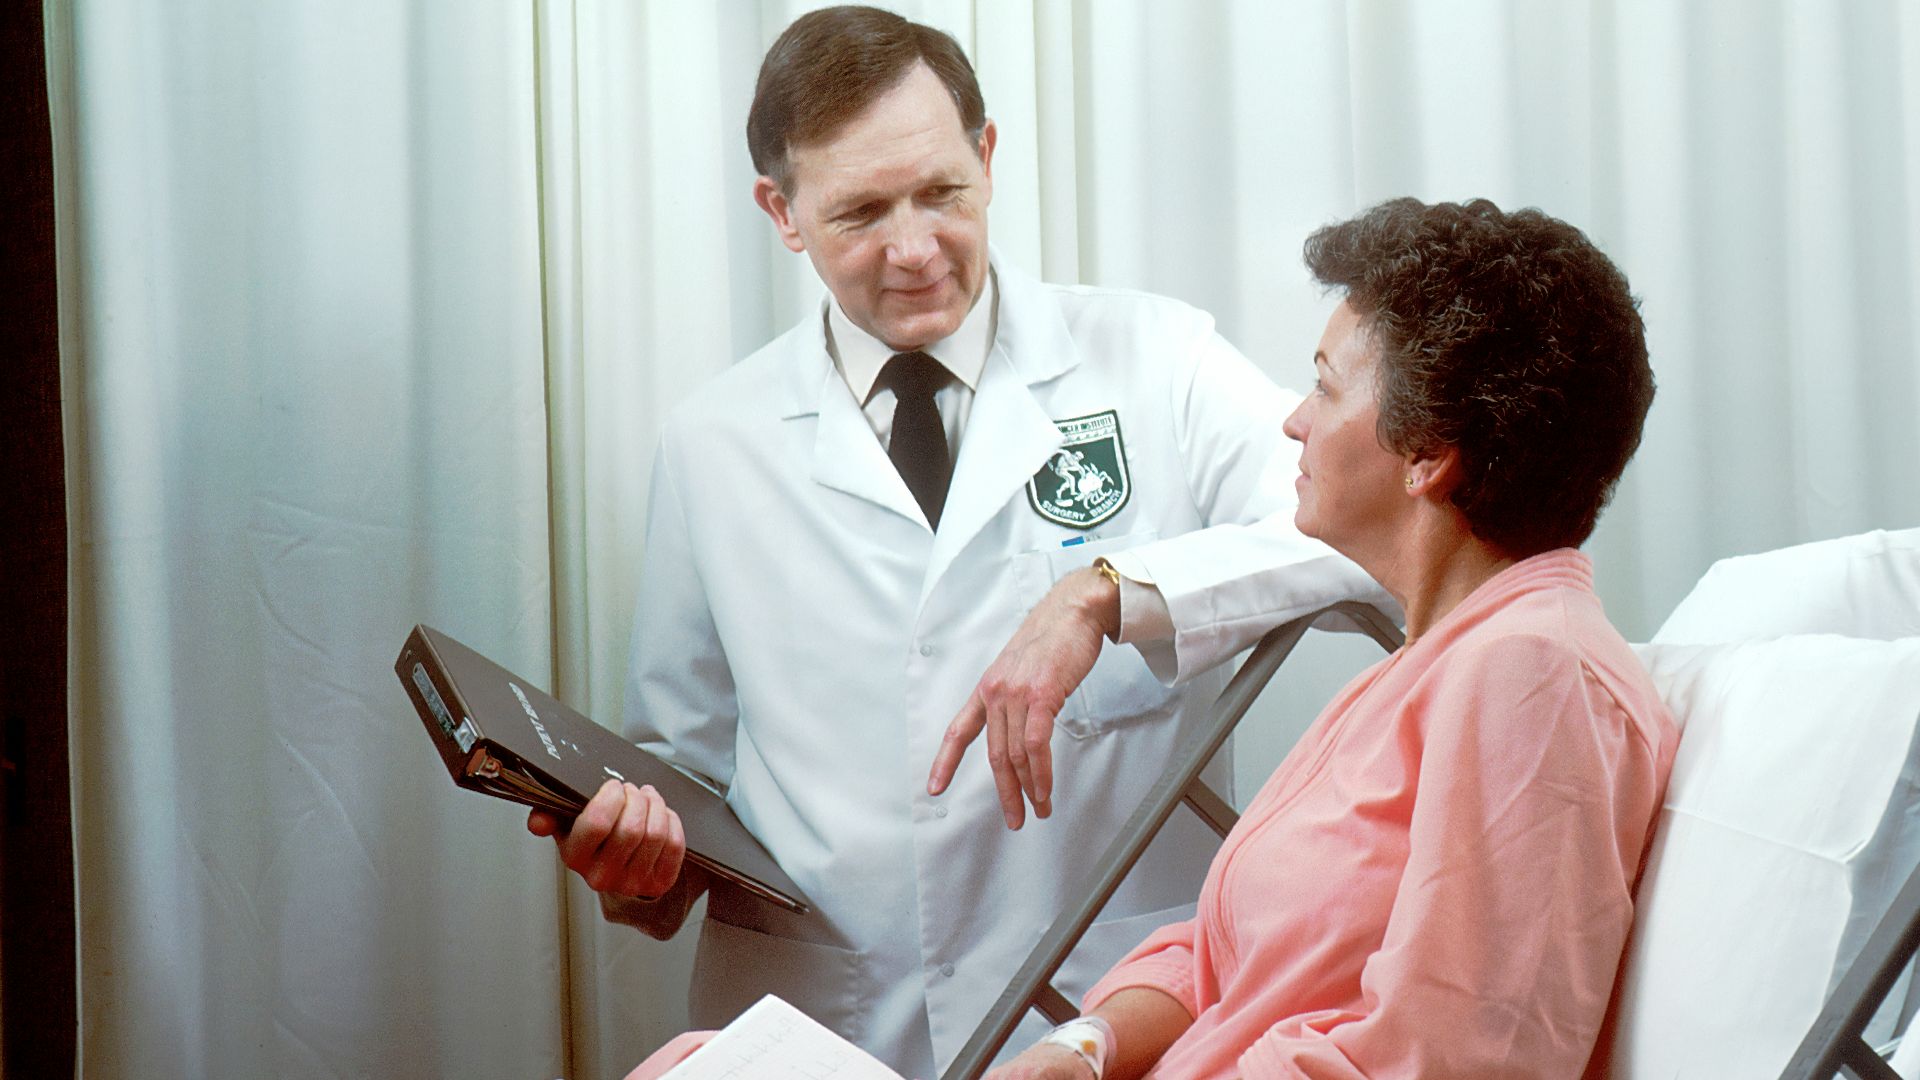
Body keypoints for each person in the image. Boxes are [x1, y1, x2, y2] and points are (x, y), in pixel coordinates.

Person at [528, 6, 1382, 1078]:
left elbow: (1367, 532)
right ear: (781, 213)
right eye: (860, 213)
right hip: (826, 1026)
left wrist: (1107, 592)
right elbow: (680, 769)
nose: (916, 249)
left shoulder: (1157, 358)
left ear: (987, 154)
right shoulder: (714, 443)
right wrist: (638, 869)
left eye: (941, 192)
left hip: (1104, 1014)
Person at [985, 197, 1680, 1079]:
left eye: (1324, 385)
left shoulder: (1535, 675)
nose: (1294, 422)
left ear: (1428, 453)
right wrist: (1084, 1048)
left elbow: (1458, 1058)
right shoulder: (1431, 666)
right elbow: (1226, 956)